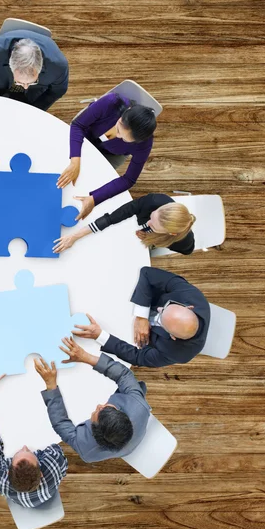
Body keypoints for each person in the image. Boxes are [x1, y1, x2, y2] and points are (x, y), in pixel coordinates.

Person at [34, 338, 151, 463]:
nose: (99, 405)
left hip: (130, 444)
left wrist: (51, 385)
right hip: (134, 437)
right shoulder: (139, 407)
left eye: (96, 413)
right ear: (119, 410)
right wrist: (85, 357)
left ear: (93, 430)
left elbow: (60, 424)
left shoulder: (86, 450)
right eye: (106, 407)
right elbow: (123, 375)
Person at [0, 31, 69, 173]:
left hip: (34, 93)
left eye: (30, 82)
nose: (25, 86)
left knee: (20, 121)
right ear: (11, 66)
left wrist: (32, 110)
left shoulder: (58, 66)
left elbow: (57, 91)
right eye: (20, 82)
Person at [0, 357, 68, 508]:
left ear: (7, 471)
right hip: (44, 493)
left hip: (25, 499)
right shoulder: (52, 465)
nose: (25, 446)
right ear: (41, 472)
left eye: (20, 452)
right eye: (29, 452)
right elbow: (55, 447)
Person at [73, 267, 211, 368]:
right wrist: (142, 316)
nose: (159, 309)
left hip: (125, 332)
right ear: (189, 307)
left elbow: (138, 357)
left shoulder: (178, 353)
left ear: (173, 337)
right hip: (128, 298)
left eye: (160, 319)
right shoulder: (192, 296)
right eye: (166, 306)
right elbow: (147, 273)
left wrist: (100, 335)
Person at [57, 93, 157, 220]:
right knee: (61, 158)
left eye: (124, 138)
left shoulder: (145, 144)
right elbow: (78, 125)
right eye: (119, 126)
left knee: (89, 181)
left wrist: (95, 198)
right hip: (85, 130)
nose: (118, 135)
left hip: (111, 154)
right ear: (127, 111)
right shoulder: (111, 102)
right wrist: (75, 161)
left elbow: (129, 179)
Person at [53, 193, 196, 255]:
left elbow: (187, 251)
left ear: (171, 233)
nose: (147, 222)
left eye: (153, 225)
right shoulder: (152, 201)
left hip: (163, 242)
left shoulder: (183, 242)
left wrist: (150, 239)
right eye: (152, 216)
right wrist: (74, 237)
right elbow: (110, 219)